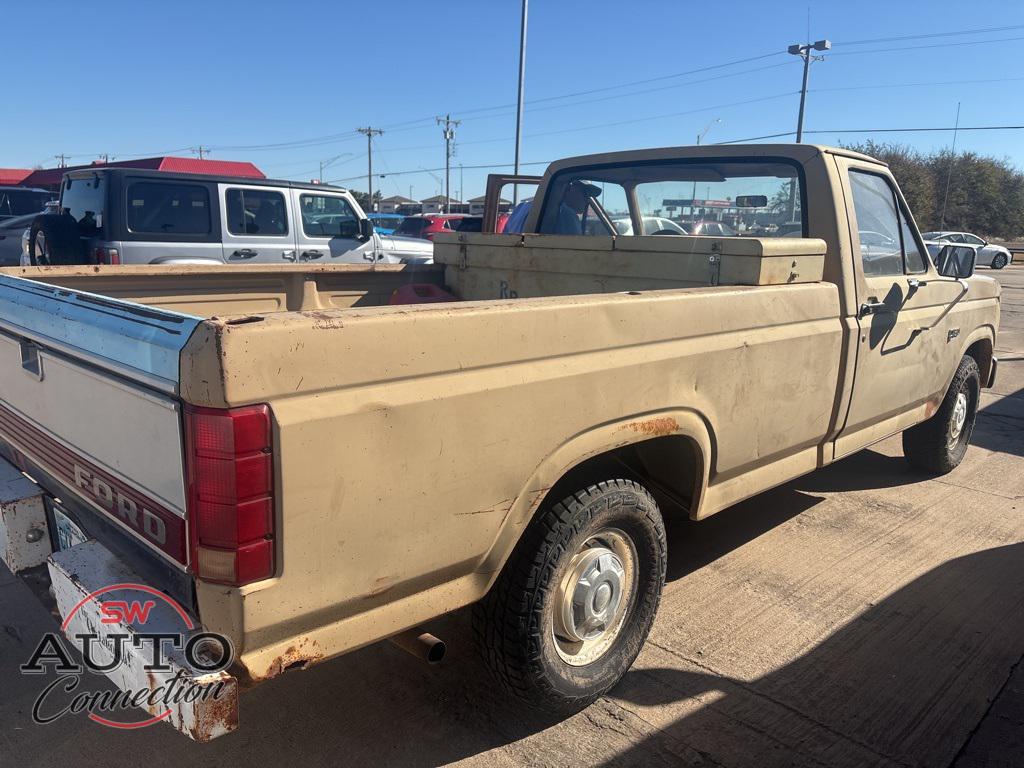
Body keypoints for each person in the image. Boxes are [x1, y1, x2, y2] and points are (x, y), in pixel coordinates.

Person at [503, 181, 602, 235]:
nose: (587, 199)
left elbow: (506, 235)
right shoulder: (566, 214)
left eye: (589, 196)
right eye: (585, 193)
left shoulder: (522, 207)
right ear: (567, 189)